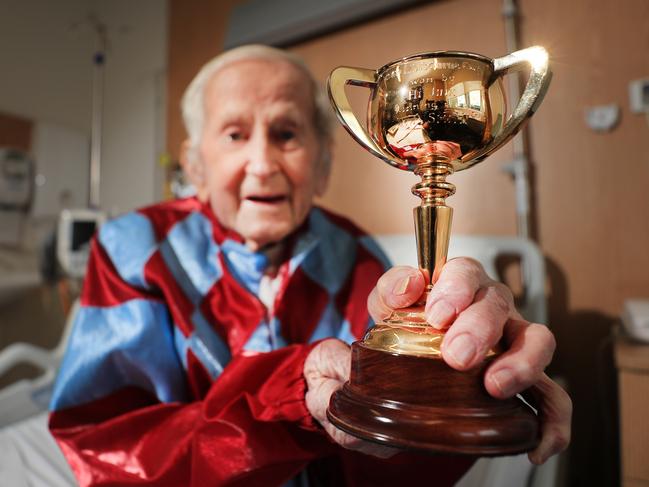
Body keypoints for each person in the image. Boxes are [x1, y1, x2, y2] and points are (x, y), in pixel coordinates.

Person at [48, 45, 571, 486]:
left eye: (287, 134)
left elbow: (393, 464)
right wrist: (290, 395)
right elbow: (103, 449)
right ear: (194, 165)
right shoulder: (133, 248)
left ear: (323, 164)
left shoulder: (357, 255)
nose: (263, 163)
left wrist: (462, 378)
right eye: (234, 134)